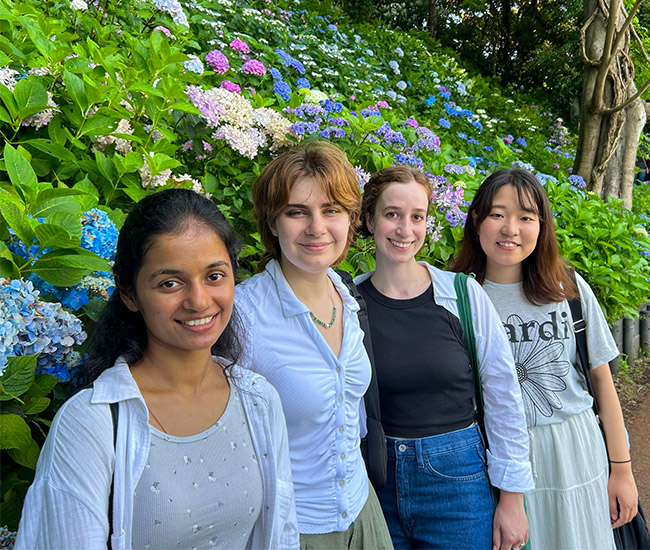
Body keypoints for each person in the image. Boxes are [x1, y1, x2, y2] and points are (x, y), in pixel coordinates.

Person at [15, 189, 298, 550]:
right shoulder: (92, 423)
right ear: (130, 293)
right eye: (170, 283)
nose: (198, 301)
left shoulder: (258, 400)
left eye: (214, 276)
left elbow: (282, 533)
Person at [450, 168, 639, 549]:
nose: (510, 229)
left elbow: (602, 381)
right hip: (495, 456)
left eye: (526, 217)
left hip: (574, 448)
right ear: (475, 220)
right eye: (497, 214)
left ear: (542, 225)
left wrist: (621, 470)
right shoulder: (455, 296)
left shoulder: (566, 287)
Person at [354, 165, 534, 550]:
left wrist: (512, 498)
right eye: (392, 215)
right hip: (376, 483)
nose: (405, 230)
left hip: (459, 483)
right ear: (369, 220)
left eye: (417, 217)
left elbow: (504, 396)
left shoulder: (462, 295)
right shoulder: (347, 303)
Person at [234, 141, 393, 549]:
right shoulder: (241, 316)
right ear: (272, 223)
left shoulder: (350, 299)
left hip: (362, 510)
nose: (316, 228)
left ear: (351, 220)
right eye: (296, 212)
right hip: (293, 528)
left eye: (331, 210)